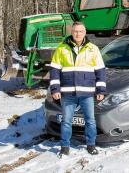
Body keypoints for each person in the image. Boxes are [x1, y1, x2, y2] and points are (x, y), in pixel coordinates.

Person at [49, 21, 106, 157]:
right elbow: (54, 71)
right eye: (75, 31)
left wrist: (100, 91)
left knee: (90, 121)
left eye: (80, 31)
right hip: (68, 93)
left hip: (87, 93)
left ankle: (91, 145)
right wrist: (55, 89)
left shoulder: (93, 49)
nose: (78, 34)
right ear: (71, 32)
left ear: (85, 32)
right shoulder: (62, 48)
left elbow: (100, 71)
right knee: (66, 121)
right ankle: (64, 147)